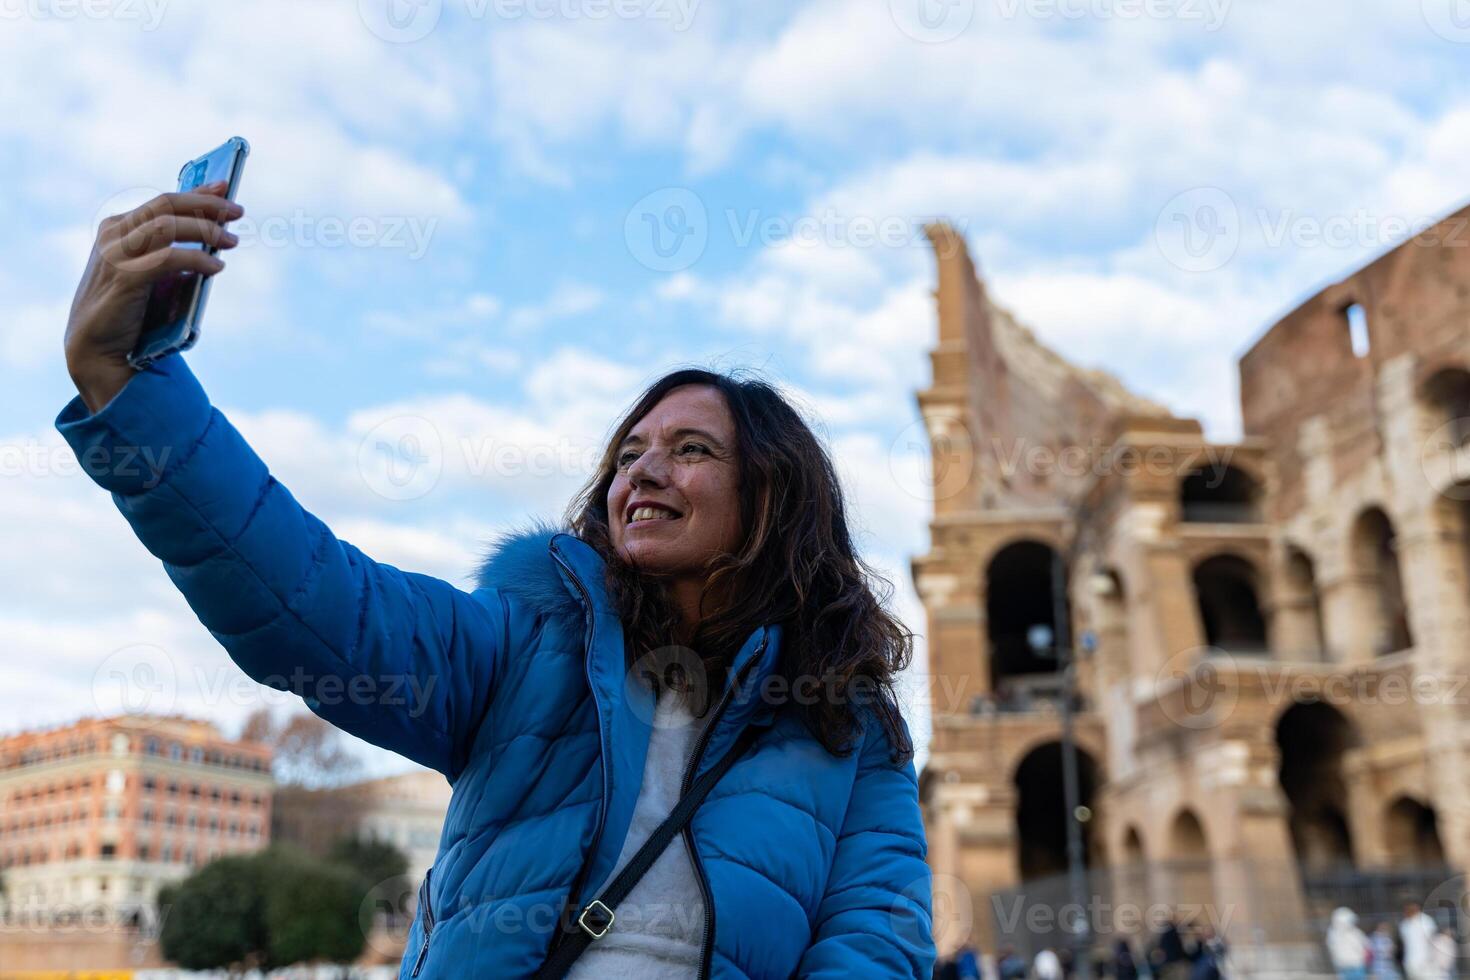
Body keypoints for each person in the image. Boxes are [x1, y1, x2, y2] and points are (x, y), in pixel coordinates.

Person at [59, 186, 935, 977]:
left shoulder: (850, 729)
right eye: (628, 455)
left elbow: (876, 942)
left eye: (691, 450)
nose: (644, 473)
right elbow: (318, 602)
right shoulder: (526, 641)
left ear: (774, 501)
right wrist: (131, 392)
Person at [1327, 907, 1371, 980]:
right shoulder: (1334, 934)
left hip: (1356, 964)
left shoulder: (1354, 932)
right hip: (1345, 964)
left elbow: (1365, 944)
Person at [1402, 903, 1440, 980]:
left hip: (1426, 960)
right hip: (1411, 961)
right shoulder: (1405, 924)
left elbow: (1433, 940)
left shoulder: (1426, 921)